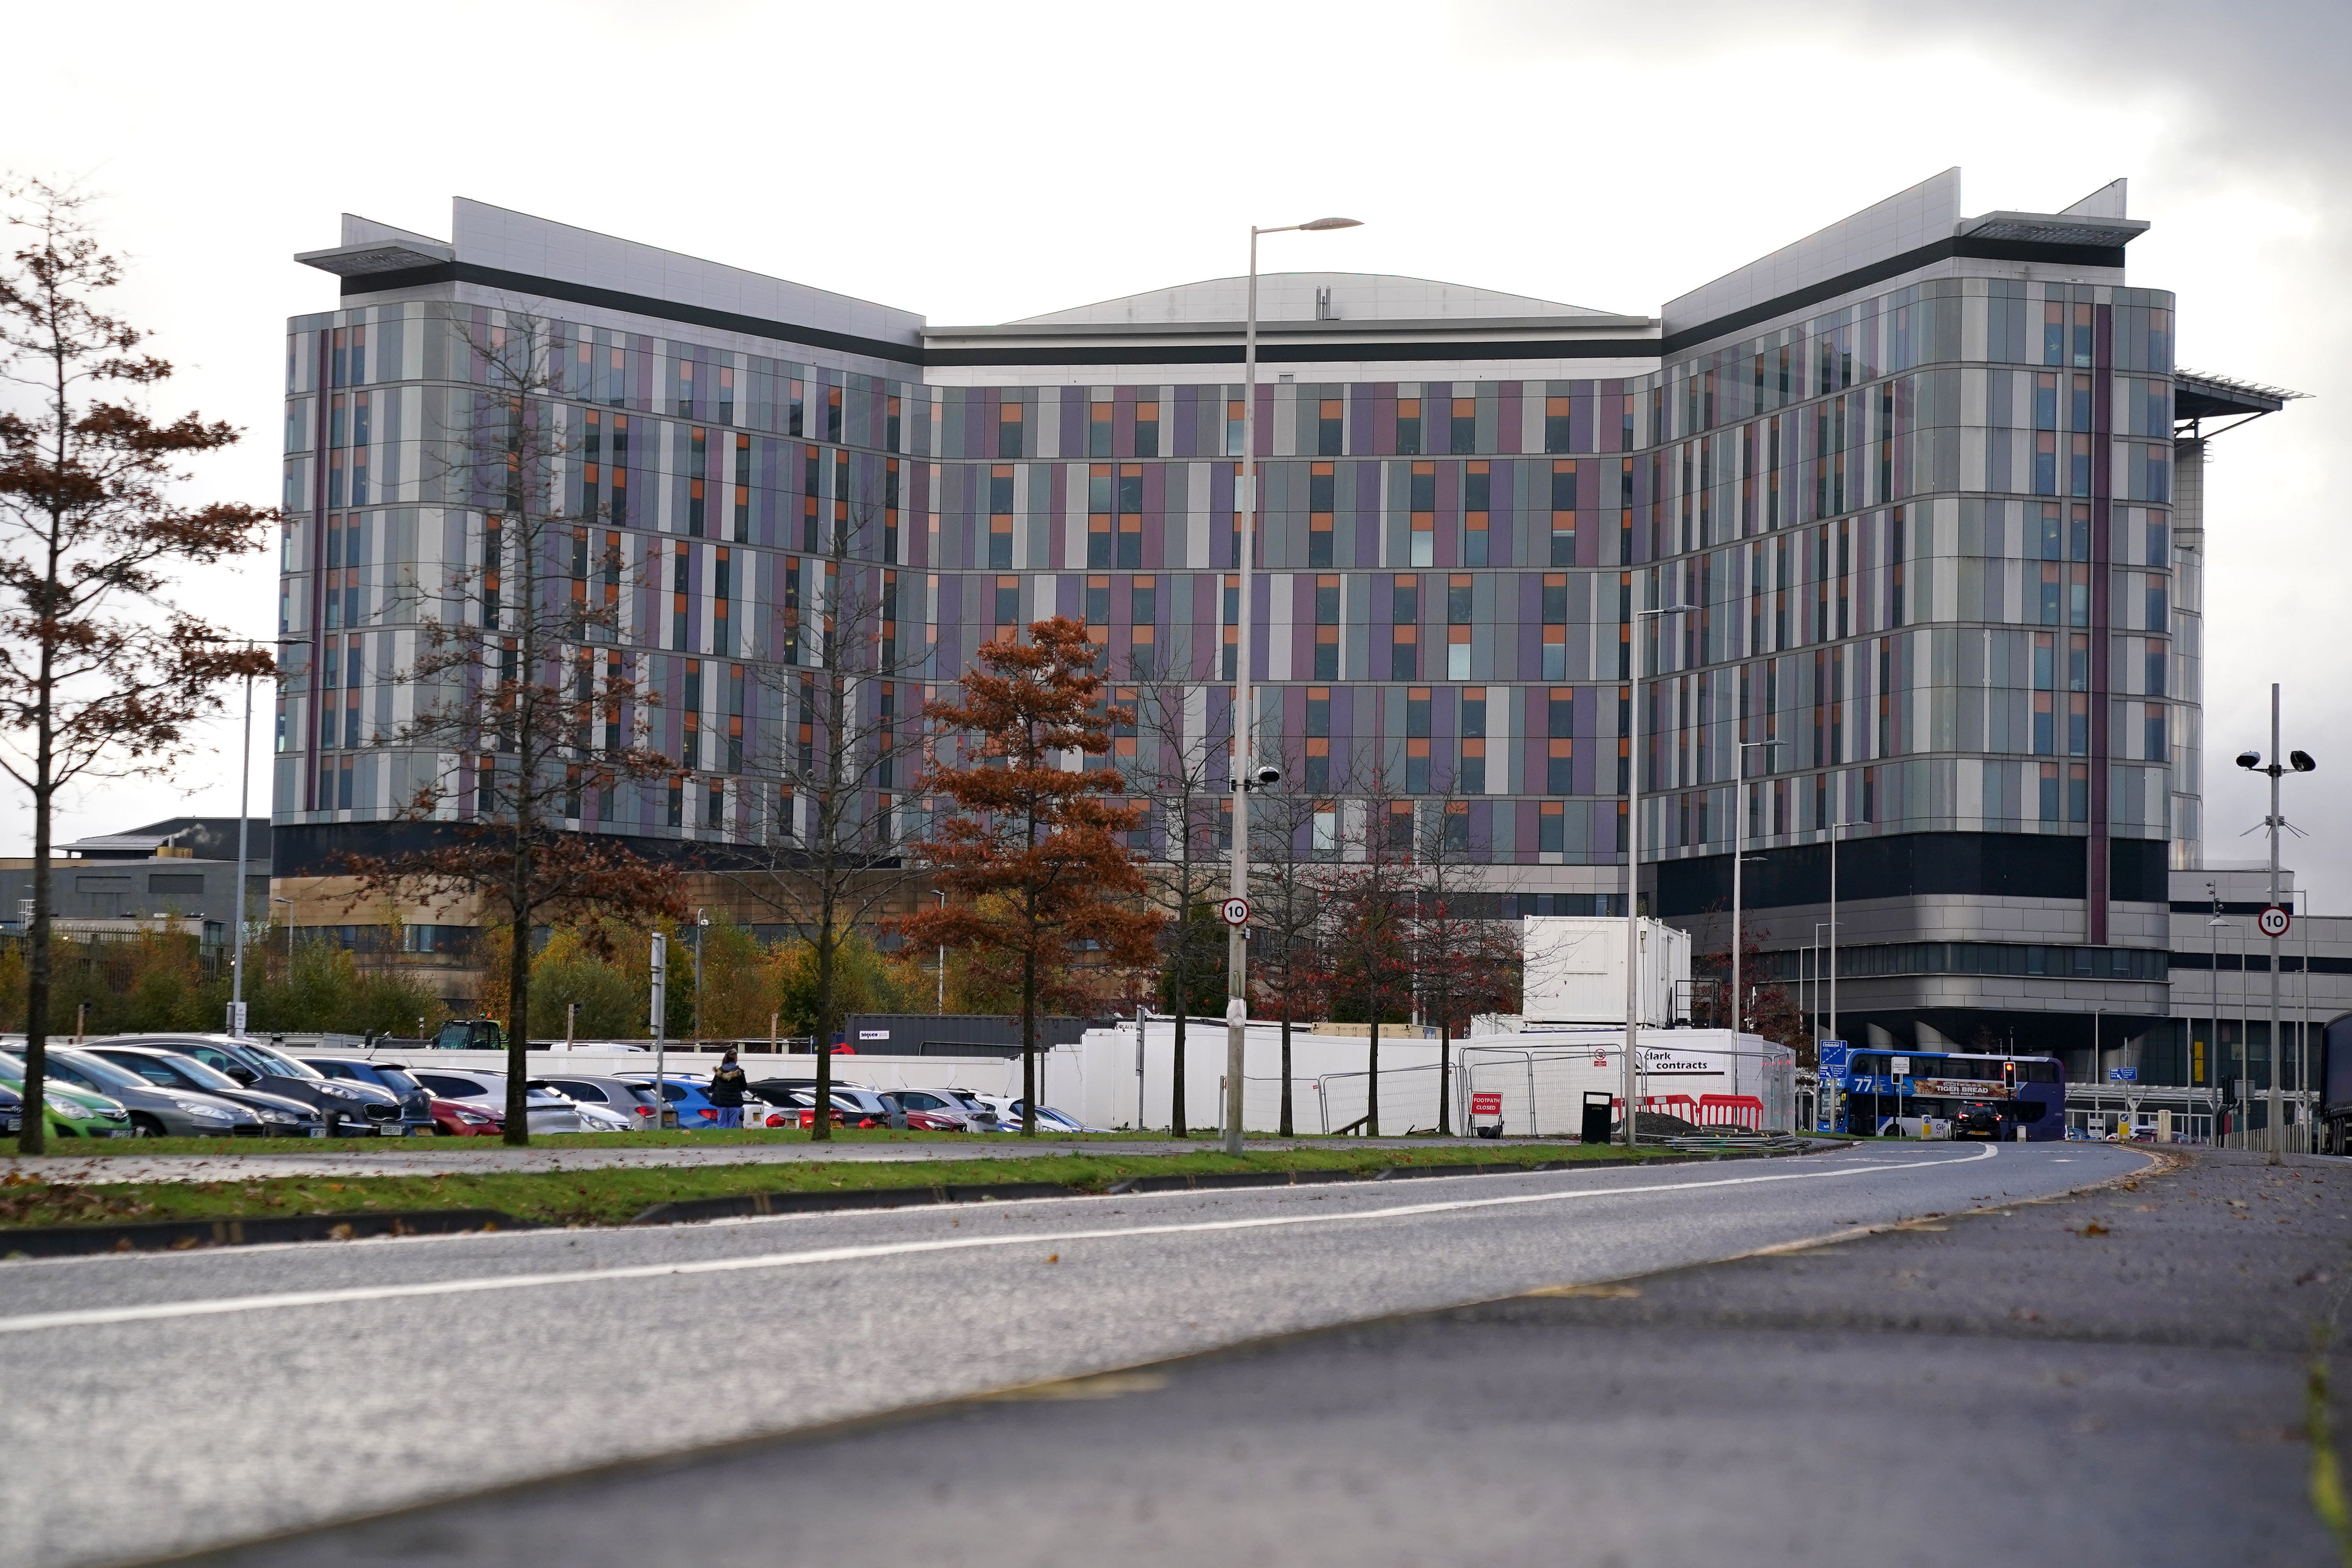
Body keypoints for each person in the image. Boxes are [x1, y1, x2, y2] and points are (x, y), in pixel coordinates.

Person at [708, 1049, 748, 1130]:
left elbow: (713, 1087)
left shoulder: (719, 1072)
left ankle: (722, 1140)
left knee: (722, 1125)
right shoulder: (739, 1073)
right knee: (733, 1126)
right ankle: (731, 1140)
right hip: (735, 1103)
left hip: (721, 1102)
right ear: (735, 1059)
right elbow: (744, 1087)